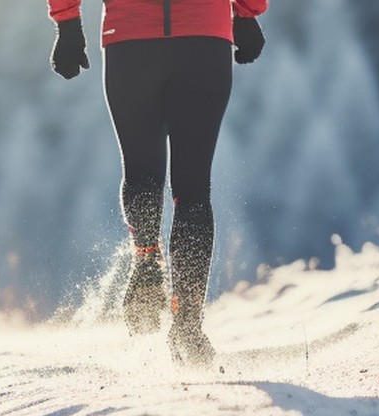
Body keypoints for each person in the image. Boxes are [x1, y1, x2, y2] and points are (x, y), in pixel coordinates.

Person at [46, 0, 268, 366]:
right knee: (193, 190)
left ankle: (147, 258)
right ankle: (188, 326)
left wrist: (68, 23)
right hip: (203, 39)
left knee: (142, 171)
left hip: (131, 40)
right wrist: (247, 12)